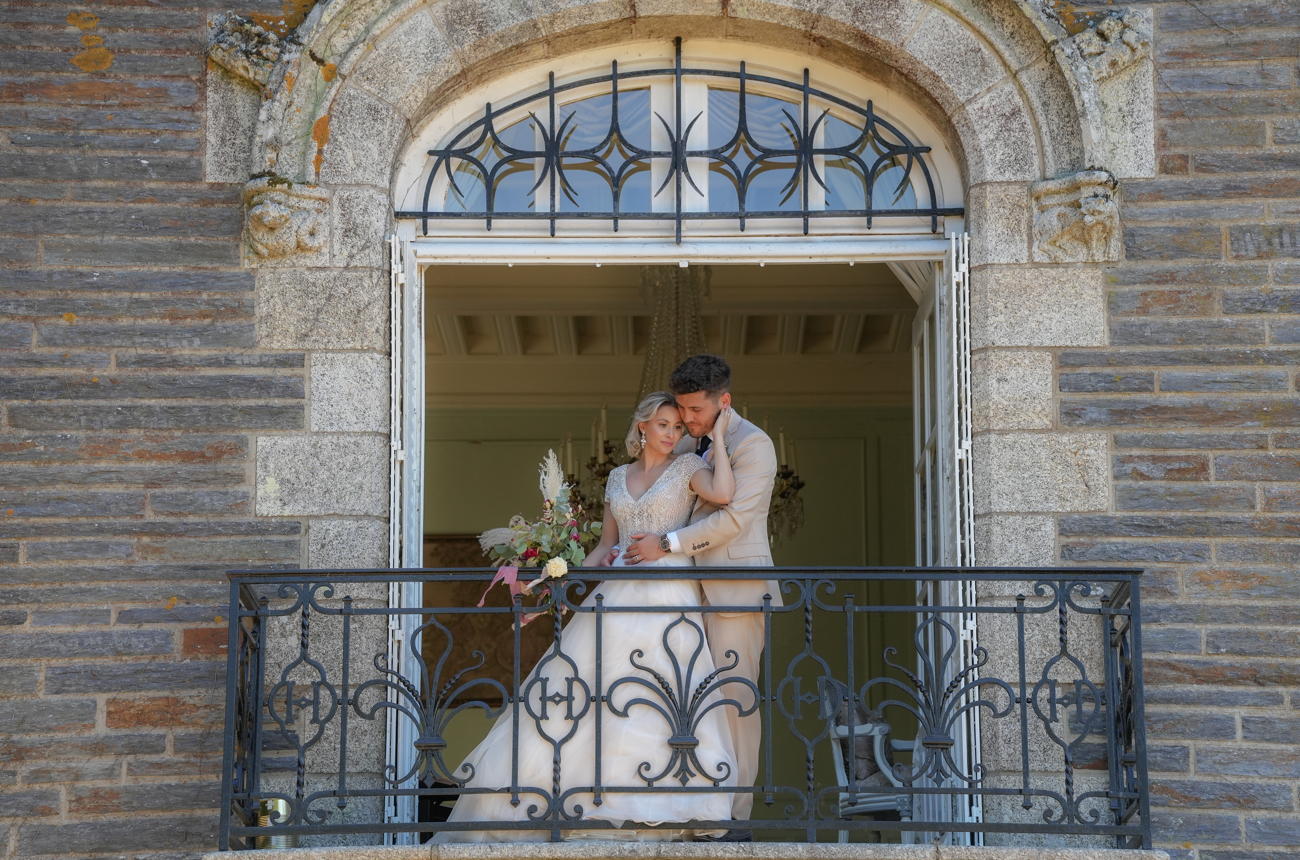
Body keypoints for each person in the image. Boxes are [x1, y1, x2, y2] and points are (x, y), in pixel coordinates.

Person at [436, 391, 740, 842]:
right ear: (642, 426)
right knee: (584, 685)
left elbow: (725, 493)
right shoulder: (618, 476)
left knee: (662, 689)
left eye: (678, 427)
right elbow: (605, 547)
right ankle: (571, 800)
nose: (672, 434)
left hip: (667, 592)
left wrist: (714, 436)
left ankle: (655, 804)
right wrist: (560, 578)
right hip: (616, 590)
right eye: (663, 425)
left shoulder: (689, 468)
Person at [620, 354, 779, 839]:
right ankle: (685, 808)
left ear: (723, 401)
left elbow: (733, 521)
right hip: (679, 595)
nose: (686, 420)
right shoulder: (688, 443)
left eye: (694, 410)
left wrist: (666, 545)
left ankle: (732, 819)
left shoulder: (754, 446)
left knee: (733, 702)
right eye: (681, 411)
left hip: (733, 591)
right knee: (680, 698)